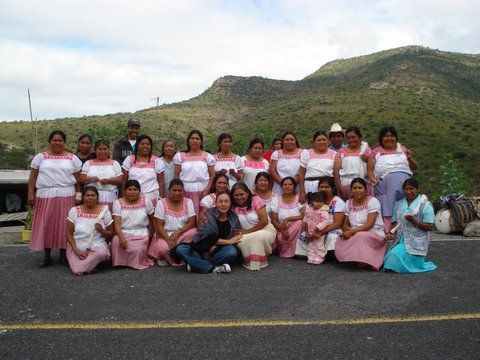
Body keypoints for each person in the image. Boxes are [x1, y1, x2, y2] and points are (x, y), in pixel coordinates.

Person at [28, 130, 82, 267]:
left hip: (67, 195)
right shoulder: (40, 157)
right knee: (46, 224)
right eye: (55, 140)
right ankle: (47, 256)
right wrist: (30, 193)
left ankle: (63, 255)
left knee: (65, 225)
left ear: (65, 142)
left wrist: (79, 194)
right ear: (50, 141)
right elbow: (33, 177)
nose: (57, 143)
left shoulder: (72, 158)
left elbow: (78, 180)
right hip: (45, 195)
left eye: (60, 140)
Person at [174, 192, 241, 274]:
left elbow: (235, 237)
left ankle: (197, 265)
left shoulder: (234, 218)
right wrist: (227, 242)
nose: (223, 204)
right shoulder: (208, 214)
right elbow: (204, 236)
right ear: (216, 203)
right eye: (220, 201)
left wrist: (218, 245)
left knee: (231, 252)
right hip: (202, 249)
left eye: (226, 201)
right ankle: (214, 268)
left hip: (220, 251)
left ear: (230, 203)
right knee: (181, 249)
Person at [367, 126, 418, 230]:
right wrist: (373, 179)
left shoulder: (403, 150)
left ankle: (406, 228)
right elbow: (370, 170)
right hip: (384, 185)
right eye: (386, 136)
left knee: (404, 206)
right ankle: (388, 229)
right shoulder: (376, 151)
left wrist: (410, 158)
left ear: (396, 138)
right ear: (381, 138)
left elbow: (415, 167)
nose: (389, 138)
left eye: (392, 136)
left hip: (404, 185)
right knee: (387, 208)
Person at [383, 178, 437, 273]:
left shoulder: (425, 205)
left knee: (394, 256)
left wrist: (413, 221)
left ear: (418, 189)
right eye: (406, 189)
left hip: (416, 242)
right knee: (388, 257)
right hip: (400, 241)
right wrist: (391, 233)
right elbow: (396, 224)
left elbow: (430, 227)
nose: (408, 192)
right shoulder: (398, 204)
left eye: (411, 189)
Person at [335, 178, 387, 270]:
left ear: (365, 189)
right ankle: (356, 257)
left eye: (360, 188)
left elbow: (370, 224)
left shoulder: (373, 201)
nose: (357, 190)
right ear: (351, 190)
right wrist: (348, 230)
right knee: (340, 238)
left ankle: (369, 259)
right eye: (355, 188)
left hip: (373, 232)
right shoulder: (348, 203)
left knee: (360, 236)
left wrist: (352, 232)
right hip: (355, 232)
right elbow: (345, 224)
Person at [147, 179, 197, 266]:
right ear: (169, 190)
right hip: (165, 235)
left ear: (183, 191)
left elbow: (191, 222)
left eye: (180, 190)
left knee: (193, 233)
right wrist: (169, 240)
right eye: (174, 190)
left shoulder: (188, 202)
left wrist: (178, 232)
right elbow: (159, 226)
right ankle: (176, 261)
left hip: (182, 234)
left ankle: (175, 257)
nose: (177, 193)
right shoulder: (161, 203)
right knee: (163, 248)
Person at [66, 186, 113, 275]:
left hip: (96, 244)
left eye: (93, 195)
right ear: (83, 197)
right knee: (77, 268)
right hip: (77, 245)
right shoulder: (74, 210)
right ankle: (92, 263)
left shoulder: (104, 211)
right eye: (87, 195)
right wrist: (77, 251)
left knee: (100, 254)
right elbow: (69, 234)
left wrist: (102, 231)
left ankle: (92, 262)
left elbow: (111, 232)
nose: (90, 198)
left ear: (97, 197)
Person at [231, 182, 276, 270]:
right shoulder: (232, 206)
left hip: (265, 229)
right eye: (236, 195)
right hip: (244, 234)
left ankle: (257, 262)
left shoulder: (255, 199)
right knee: (243, 240)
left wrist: (247, 232)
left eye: (241, 194)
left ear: (247, 193)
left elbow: (264, 221)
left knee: (258, 236)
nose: (239, 197)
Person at [111, 180, 154, 270]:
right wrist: (121, 237)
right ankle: (120, 263)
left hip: (140, 233)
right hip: (123, 232)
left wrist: (154, 236)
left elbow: (153, 219)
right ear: (125, 191)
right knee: (116, 241)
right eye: (129, 189)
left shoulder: (146, 201)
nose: (132, 192)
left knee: (137, 249)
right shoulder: (118, 203)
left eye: (135, 189)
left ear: (139, 191)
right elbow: (117, 224)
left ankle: (133, 263)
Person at [173, 130, 216, 217]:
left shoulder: (207, 156)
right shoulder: (180, 156)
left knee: (203, 214)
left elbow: (213, 175)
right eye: (192, 138)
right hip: (185, 190)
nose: (194, 141)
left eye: (197, 139)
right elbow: (176, 174)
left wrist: (207, 189)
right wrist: (178, 190)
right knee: (187, 213)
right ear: (188, 140)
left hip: (203, 190)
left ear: (201, 141)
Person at [80, 140, 123, 211]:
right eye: (100, 149)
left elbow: (120, 179)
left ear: (108, 150)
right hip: (91, 197)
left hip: (109, 196)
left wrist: (108, 181)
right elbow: (81, 179)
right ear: (95, 151)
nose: (102, 151)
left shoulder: (114, 163)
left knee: (107, 217)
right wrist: (91, 179)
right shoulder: (88, 163)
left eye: (105, 149)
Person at [122, 134, 164, 205]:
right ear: (137, 146)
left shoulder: (157, 161)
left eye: (147, 144)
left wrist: (161, 198)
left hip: (152, 196)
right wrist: (124, 196)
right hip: (132, 196)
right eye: (142, 144)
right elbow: (124, 180)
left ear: (151, 147)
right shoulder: (129, 159)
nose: (145, 146)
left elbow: (160, 182)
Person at [271, 177, 305, 258]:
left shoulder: (299, 198)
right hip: (281, 229)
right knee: (281, 238)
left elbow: (303, 216)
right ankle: (291, 250)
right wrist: (283, 230)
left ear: (294, 187)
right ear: (281, 187)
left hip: (298, 228)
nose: (287, 186)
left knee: (300, 223)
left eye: (290, 184)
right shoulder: (276, 199)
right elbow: (274, 220)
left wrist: (288, 219)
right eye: (285, 185)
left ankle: (293, 251)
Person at [333, 126, 371, 200]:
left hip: (362, 186)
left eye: (354, 137)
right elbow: (336, 172)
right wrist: (340, 188)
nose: (351, 140)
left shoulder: (366, 151)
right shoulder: (341, 152)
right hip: (345, 185)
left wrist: (368, 160)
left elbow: (372, 169)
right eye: (348, 138)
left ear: (360, 137)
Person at [298, 131, 336, 203]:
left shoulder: (333, 154)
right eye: (319, 140)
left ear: (328, 141)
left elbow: (335, 173)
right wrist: (302, 191)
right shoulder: (307, 153)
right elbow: (301, 173)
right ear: (314, 142)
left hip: (328, 187)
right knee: (311, 209)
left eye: (324, 140)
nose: (322, 142)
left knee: (327, 209)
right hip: (310, 186)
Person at [303, 192, 330, 264]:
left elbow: (326, 221)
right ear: (312, 201)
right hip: (310, 230)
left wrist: (318, 227)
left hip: (319, 231)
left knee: (319, 244)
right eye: (317, 201)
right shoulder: (309, 210)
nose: (319, 203)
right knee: (311, 244)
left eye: (321, 201)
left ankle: (319, 257)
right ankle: (311, 256)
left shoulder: (323, 211)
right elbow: (306, 220)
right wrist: (306, 230)